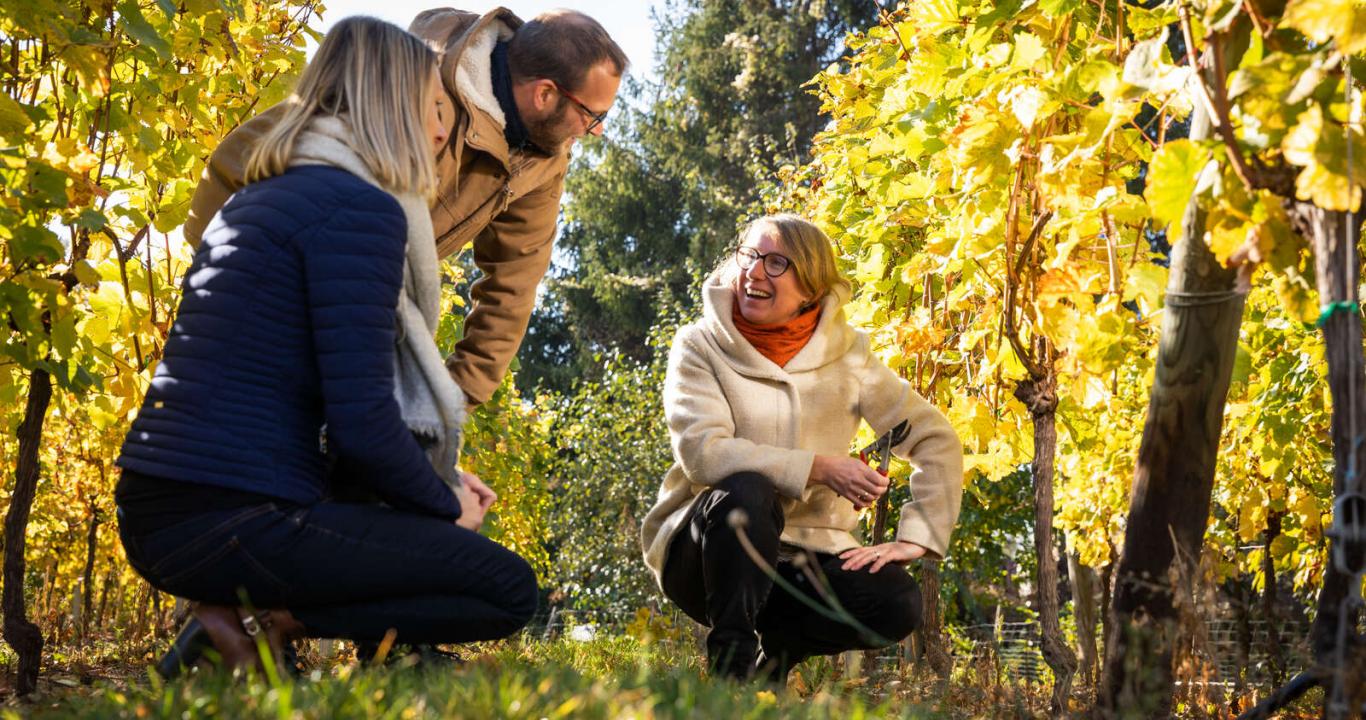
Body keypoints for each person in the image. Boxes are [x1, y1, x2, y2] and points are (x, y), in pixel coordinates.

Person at [115, 16, 535, 675]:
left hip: (164, 507)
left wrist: (435, 486)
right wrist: (444, 503)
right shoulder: (358, 211)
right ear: (390, 104)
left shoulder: (264, 193)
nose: (442, 129)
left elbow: (338, 411)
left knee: (435, 548)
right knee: (507, 589)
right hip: (225, 516)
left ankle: (241, 620)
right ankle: (257, 623)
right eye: (431, 107)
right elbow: (362, 422)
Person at [184, 7, 627, 408]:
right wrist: (234, 295)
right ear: (545, 94)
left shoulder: (543, 159)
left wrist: (445, 407)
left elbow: (511, 292)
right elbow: (237, 163)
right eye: (592, 115)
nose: (596, 131)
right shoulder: (408, 84)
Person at [640, 214, 964, 682]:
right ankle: (729, 675)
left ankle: (776, 663)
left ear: (810, 287)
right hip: (706, 552)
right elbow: (703, 452)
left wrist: (917, 536)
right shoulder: (699, 345)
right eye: (748, 255)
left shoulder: (850, 356)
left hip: (808, 554)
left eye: (775, 263)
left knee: (897, 602)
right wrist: (819, 468)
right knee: (746, 490)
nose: (753, 272)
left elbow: (935, 437)